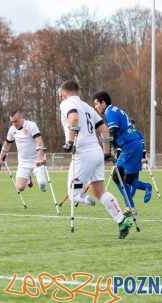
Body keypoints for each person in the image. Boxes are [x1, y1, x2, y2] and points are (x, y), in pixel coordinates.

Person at [59, 80, 132, 239]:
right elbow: (104, 130)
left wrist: (70, 142)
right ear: (78, 91)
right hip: (97, 152)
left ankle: (84, 198)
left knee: (73, 193)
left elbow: (73, 119)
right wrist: (106, 153)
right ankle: (122, 221)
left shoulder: (66, 104)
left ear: (63, 94)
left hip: (83, 153)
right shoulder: (88, 107)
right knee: (99, 191)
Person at [92, 91, 152, 216]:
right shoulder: (114, 111)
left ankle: (146, 188)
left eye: (96, 104)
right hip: (128, 147)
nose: (95, 107)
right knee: (118, 176)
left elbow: (113, 133)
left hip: (131, 147)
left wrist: (110, 149)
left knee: (128, 179)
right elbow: (119, 132)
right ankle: (131, 207)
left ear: (103, 103)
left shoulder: (110, 112)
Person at [0, 110, 47, 192]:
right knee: (20, 188)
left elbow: (39, 141)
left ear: (22, 118)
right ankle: (28, 177)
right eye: (12, 122)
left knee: (42, 186)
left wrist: (40, 158)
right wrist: (0, 158)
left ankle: (32, 178)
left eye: (16, 121)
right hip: (23, 163)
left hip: (36, 160)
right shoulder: (12, 129)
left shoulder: (31, 125)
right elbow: (7, 145)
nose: (14, 124)